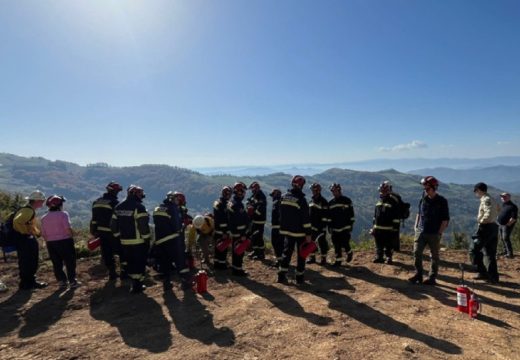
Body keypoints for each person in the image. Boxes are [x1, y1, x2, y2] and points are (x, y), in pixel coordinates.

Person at [409, 176, 450, 286]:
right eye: (424, 188)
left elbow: (445, 219)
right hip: (421, 232)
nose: (425, 190)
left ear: (433, 188)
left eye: (427, 188)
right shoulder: (423, 199)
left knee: (434, 256)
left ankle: (432, 277)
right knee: (416, 253)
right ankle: (418, 274)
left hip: (434, 233)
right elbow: (419, 213)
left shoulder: (442, 201)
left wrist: (439, 233)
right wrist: (416, 226)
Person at [111, 185, 151, 293]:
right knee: (139, 262)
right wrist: (147, 239)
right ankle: (138, 285)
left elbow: (113, 225)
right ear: (134, 194)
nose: (141, 196)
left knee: (130, 262)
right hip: (138, 241)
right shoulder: (139, 207)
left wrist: (118, 236)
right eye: (140, 194)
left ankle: (134, 283)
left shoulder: (118, 207)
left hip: (124, 241)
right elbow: (143, 226)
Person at [152, 191, 191, 291]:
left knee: (165, 263)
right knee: (180, 262)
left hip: (160, 241)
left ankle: (167, 284)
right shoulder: (173, 209)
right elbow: (176, 226)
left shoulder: (158, 208)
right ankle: (185, 283)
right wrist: (183, 224)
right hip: (173, 240)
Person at [277, 175, 312, 284]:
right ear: (301, 186)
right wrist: (308, 234)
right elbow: (306, 219)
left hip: (287, 231)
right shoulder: (301, 200)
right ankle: (299, 278)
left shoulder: (283, 197)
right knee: (301, 255)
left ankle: (281, 276)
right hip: (299, 233)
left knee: (286, 253)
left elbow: (280, 213)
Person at [41, 195, 79, 288]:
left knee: (56, 263)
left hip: (51, 243)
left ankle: (62, 281)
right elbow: (67, 228)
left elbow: (43, 233)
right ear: (60, 205)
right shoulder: (64, 214)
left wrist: (48, 242)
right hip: (65, 241)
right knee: (70, 261)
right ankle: (72, 281)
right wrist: (73, 236)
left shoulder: (44, 217)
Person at [13, 190, 48, 290]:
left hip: (23, 240)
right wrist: (25, 232)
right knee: (30, 261)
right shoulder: (28, 211)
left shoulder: (27, 209)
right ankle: (28, 283)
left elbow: (29, 224)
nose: (43, 202)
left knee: (26, 261)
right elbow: (17, 221)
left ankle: (27, 283)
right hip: (26, 240)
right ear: (36, 201)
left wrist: (37, 233)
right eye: (41, 200)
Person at [90, 181, 125, 280]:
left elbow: (94, 219)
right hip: (113, 232)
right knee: (121, 251)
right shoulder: (115, 203)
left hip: (101, 232)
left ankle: (112, 273)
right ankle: (123, 272)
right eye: (117, 191)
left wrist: (94, 231)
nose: (118, 193)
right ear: (115, 191)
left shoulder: (96, 202)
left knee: (107, 253)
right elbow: (118, 219)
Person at [470, 182, 500, 283]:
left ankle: (483, 272)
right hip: (493, 227)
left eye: (476, 191)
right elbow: (498, 209)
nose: (475, 193)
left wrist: (482, 221)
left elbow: (489, 213)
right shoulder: (491, 198)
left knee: (473, 250)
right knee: (489, 253)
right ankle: (493, 277)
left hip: (486, 228)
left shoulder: (486, 199)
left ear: (479, 190)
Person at [370, 182, 400, 264]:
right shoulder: (378, 202)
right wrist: (373, 228)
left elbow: (396, 218)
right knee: (378, 244)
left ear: (387, 192)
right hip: (378, 228)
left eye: (383, 191)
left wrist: (395, 229)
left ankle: (388, 257)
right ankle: (379, 257)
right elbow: (375, 217)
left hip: (388, 229)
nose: (381, 193)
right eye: (380, 191)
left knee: (388, 245)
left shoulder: (393, 202)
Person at [327, 183, 355, 267]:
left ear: (339, 190)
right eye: (332, 191)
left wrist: (351, 225)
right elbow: (329, 217)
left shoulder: (347, 200)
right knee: (336, 245)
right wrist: (329, 226)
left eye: (335, 190)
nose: (333, 192)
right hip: (335, 228)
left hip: (345, 228)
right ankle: (338, 261)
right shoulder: (331, 203)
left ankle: (349, 253)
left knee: (345, 244)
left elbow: (351, 214)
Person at [227, 182, 251, 276]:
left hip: (234, 231)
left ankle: (234, 268)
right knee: (239, 251)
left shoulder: (232, 201)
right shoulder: (238, 204)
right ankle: (238, 270)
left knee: (235, 250)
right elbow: (240, 220)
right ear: (239, 192)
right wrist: (244, 234)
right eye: (243, 191)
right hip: (239, 232)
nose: (244, 193)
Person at [308, 183, 329, 265]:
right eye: (312, 190)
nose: (312, 191)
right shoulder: (311, 200)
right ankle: (312, 258)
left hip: (320, 227)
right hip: (311, 226)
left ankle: (323, 259)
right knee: (311, 242)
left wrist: (322, 227)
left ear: (317, 191)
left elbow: (325, 216)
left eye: (313, 190)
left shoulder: (323, 202)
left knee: (322, 242)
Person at [247, 181, 267, 260]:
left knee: (259, 237)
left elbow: (260, 210)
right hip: (253, 220)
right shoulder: (254, 195)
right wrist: (248, 206)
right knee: (253, 237)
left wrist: (253, 212)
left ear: (256, 189)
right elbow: (249, 201)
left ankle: (261, 254)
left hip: (259, 220)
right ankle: (255, 251)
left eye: (253, 189)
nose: (252, 191)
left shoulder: (261, 197)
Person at [213, 186, 232, 270]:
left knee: (218, 247)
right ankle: (222, 265)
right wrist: (225, 232)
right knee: (223, 248)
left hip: (217, 229)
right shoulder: (223, 204)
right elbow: (223, 219)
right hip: (222, 231)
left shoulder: (217, 202)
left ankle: (216, 263)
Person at [497, 192, 517, 259]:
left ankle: (510, 254)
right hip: (500, 224)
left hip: (506, 225)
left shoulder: (513, 206)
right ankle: (505, 252)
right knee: (502, 238)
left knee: (506, 238)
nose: (503, 198)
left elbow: (514, 218)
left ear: (509, 197)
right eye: (502, 197)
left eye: (505, 197)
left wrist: (508, 225)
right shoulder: (504, 205)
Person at [269, 188, 283, 267]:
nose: (272, 197)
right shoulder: (277, 202)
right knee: (276, 243)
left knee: (277, 244)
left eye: (273, 195)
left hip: (278, 227)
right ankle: (279, 259)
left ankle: (280, 261)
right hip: (276, 226)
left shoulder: (278, 202)